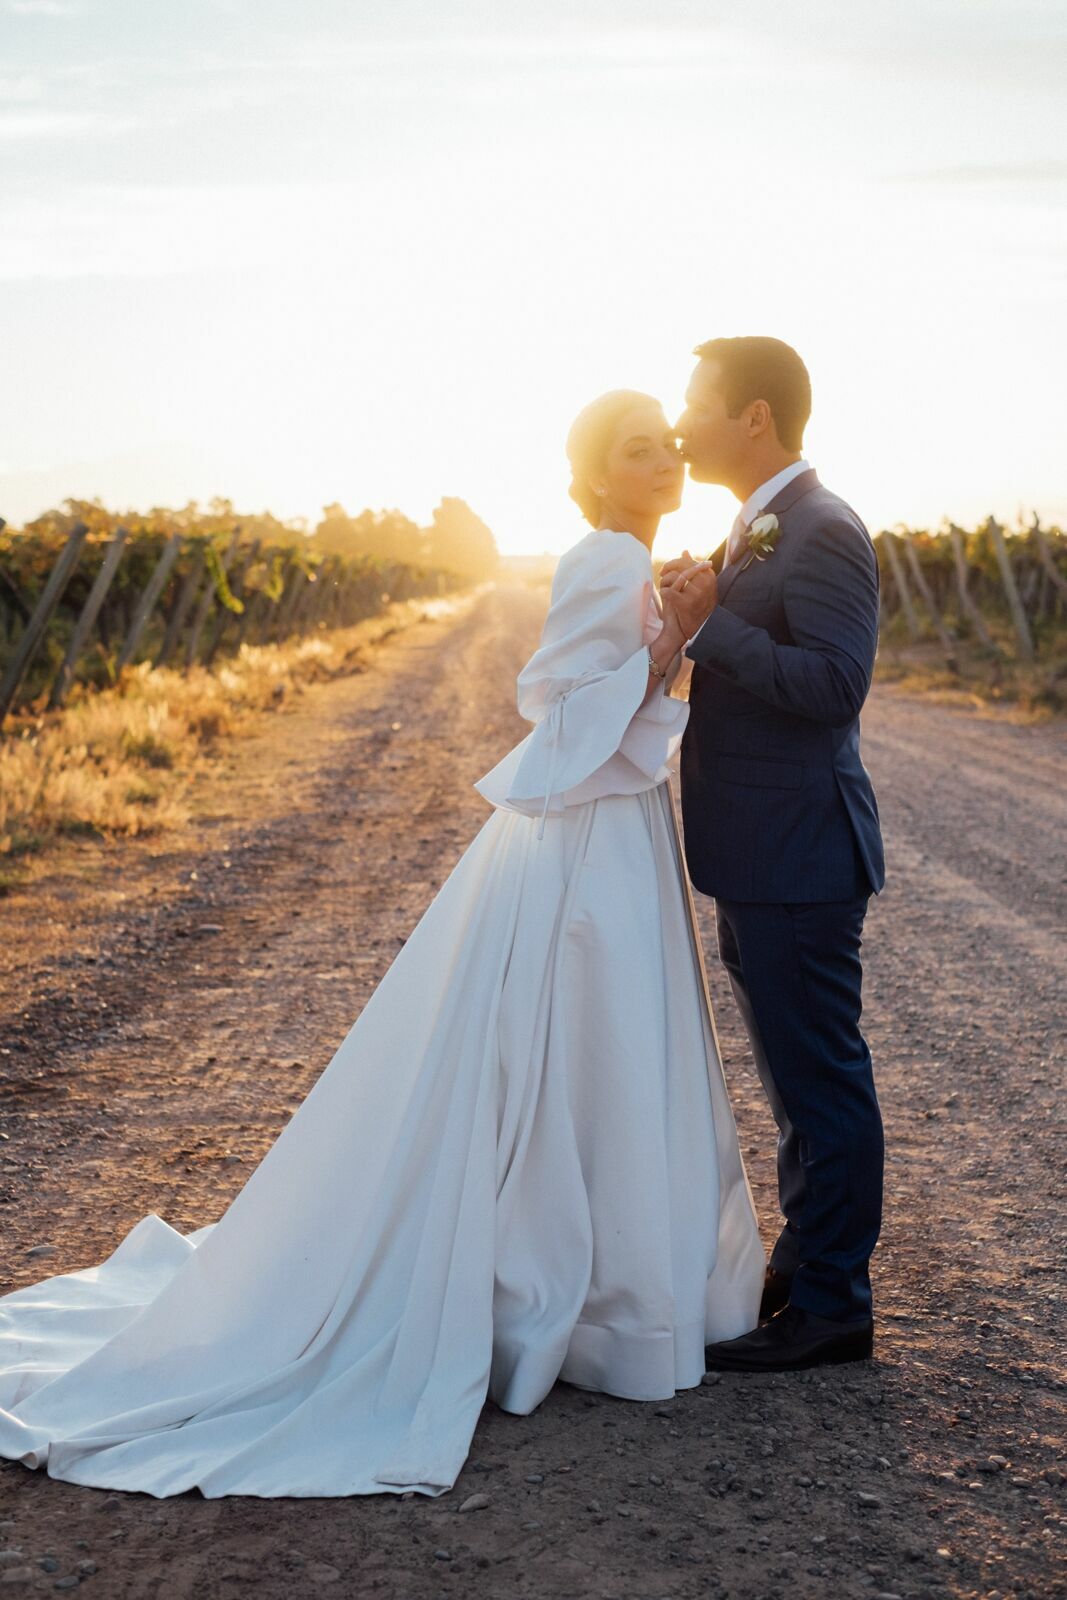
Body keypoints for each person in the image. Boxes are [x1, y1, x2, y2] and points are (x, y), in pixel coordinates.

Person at [0, 389, 764, 1500]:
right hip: (586, 840)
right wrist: (674, 640)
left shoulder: (634, 558)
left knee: (602, 1044)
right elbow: (558, 712)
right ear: (598, 474)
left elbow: (618, 706)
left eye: (665, 445)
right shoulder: (603, 558)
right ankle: (602, 1302)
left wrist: (671, 631)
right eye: (636, 449)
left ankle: (612, 1289)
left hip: (617, 824)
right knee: (594, 1037)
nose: (662, 460)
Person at [660, 336, 886, 1373]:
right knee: (795, 1082)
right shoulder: (757, 524)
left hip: (798, 850)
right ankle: (804, 1265)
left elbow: (834, 686)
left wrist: (710, 628)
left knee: (821, 1079)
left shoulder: (821, 527)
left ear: (753, 416)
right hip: (759, 850)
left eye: (695, 403)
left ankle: (835, 1305)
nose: (681, 423)